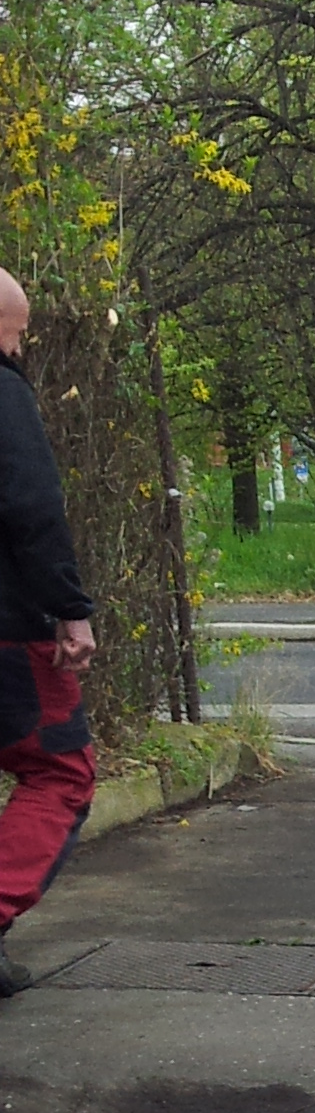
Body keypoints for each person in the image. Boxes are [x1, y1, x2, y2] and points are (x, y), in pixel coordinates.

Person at [0, 268, 98, 996]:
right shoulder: (3, 393)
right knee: (60, 772)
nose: (20, 348)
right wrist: (69, 607)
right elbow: (31, 504)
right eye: (18, 332)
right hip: (9, 630)